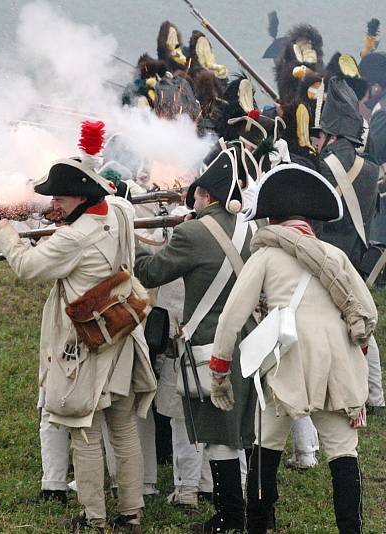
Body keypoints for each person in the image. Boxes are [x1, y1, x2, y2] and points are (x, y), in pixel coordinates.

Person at [0, 156, 157, 533]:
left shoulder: (73, 238)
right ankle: (131, 514)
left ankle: (94, 518)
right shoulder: (119, 211)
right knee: (124, 429)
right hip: (123, 335)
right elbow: (94, 208)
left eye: (60, 197)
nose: (55, 203)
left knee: (85, 433)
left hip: (88, 344)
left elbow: (27, 267)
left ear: (80, 197)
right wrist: (38, 213)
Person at [209, 163, 377, 534]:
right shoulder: (334, 255)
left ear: (272, 218)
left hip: (288, 364)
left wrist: (219, 371)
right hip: (338, 364)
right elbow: (367, 313)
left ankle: (259, 527)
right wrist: (358, 360)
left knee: (266, 449)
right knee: (343, 456)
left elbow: (230, 318)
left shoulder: (266, 256)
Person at [134, 146, 257, 534]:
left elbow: (150, 274)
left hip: (210, 347)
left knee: (220, 437)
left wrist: (128, 240)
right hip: (248, 342)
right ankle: (241, 510)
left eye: (198, 193)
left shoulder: (190, 232)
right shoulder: (251, 229)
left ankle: (229, 519)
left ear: (206, 195)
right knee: (239, 432)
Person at [312, 76, 385, 417]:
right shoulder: (370, 171)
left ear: (332, 135)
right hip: (354, 259)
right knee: (362, 322)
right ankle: (375, 394)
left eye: (321, 134)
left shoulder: (319, 169)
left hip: (324, 260)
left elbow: (313, 222)